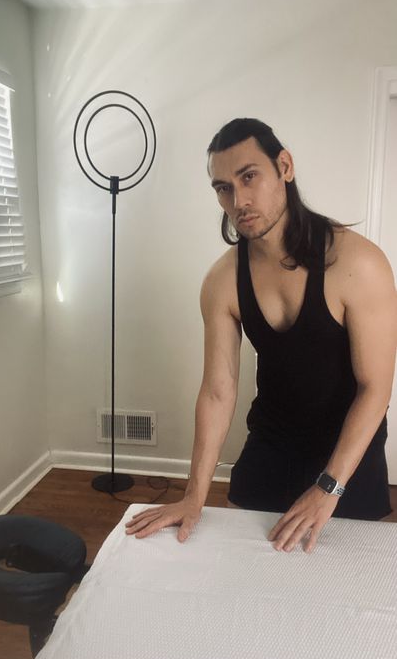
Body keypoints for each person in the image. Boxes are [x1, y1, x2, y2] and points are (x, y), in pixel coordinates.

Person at [125, 118, 397, 553]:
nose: (239, 201)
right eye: (223, 188)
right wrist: (194, 495)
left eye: (249, 176)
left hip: (350, 447)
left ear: (284, 167)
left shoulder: (358, 264)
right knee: (242, 564)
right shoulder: (222, 281)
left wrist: (328, 487)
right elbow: (218, 391)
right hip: (273, 441)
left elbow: (375, 389)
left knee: (343, 572)